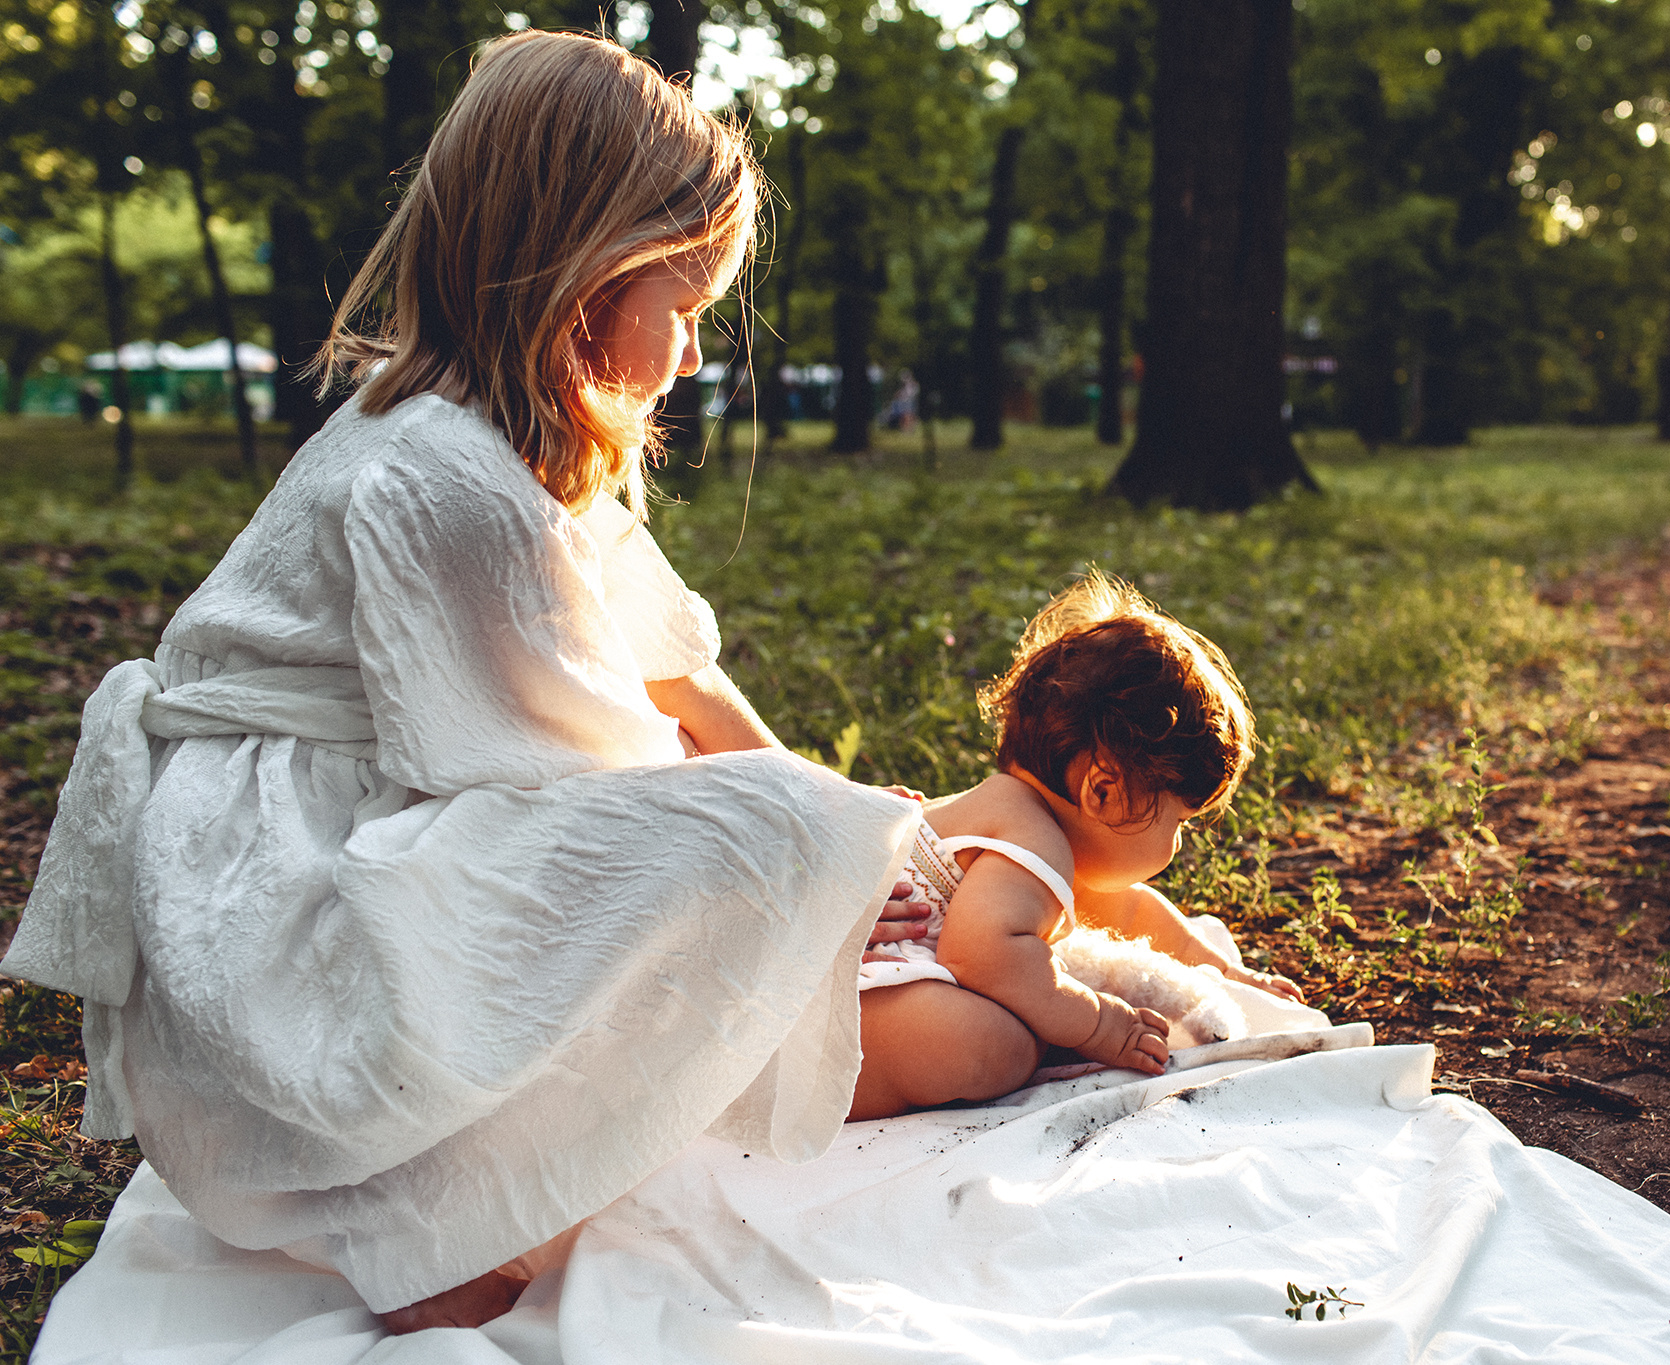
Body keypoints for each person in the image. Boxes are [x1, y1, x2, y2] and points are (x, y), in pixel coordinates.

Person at [1, 32, 934, 1333]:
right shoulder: (444, 474)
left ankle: (444, 1195)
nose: (689, 351)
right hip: (277, 914)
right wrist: (815, 856)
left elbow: (682, 677)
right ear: (580, 278)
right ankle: (420, 1195)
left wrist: (839, 822)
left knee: (788, 812)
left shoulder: (523, 453)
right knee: (756, 828)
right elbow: (580, 770)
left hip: (331, 843)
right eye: (681, 307)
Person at [851, 573, 1303, 1121]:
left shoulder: (1027, 827)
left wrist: (1220, 970)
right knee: (994, 1047)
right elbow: (978, 955)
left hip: (872, 970)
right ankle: (802, 1088)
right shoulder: (1032, 834)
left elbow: (1131, 908)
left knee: (1016, 1021)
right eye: (1179, 822)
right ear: (1104, 790)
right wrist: (1094, 1023)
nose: (1177, 845)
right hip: (852, 981)